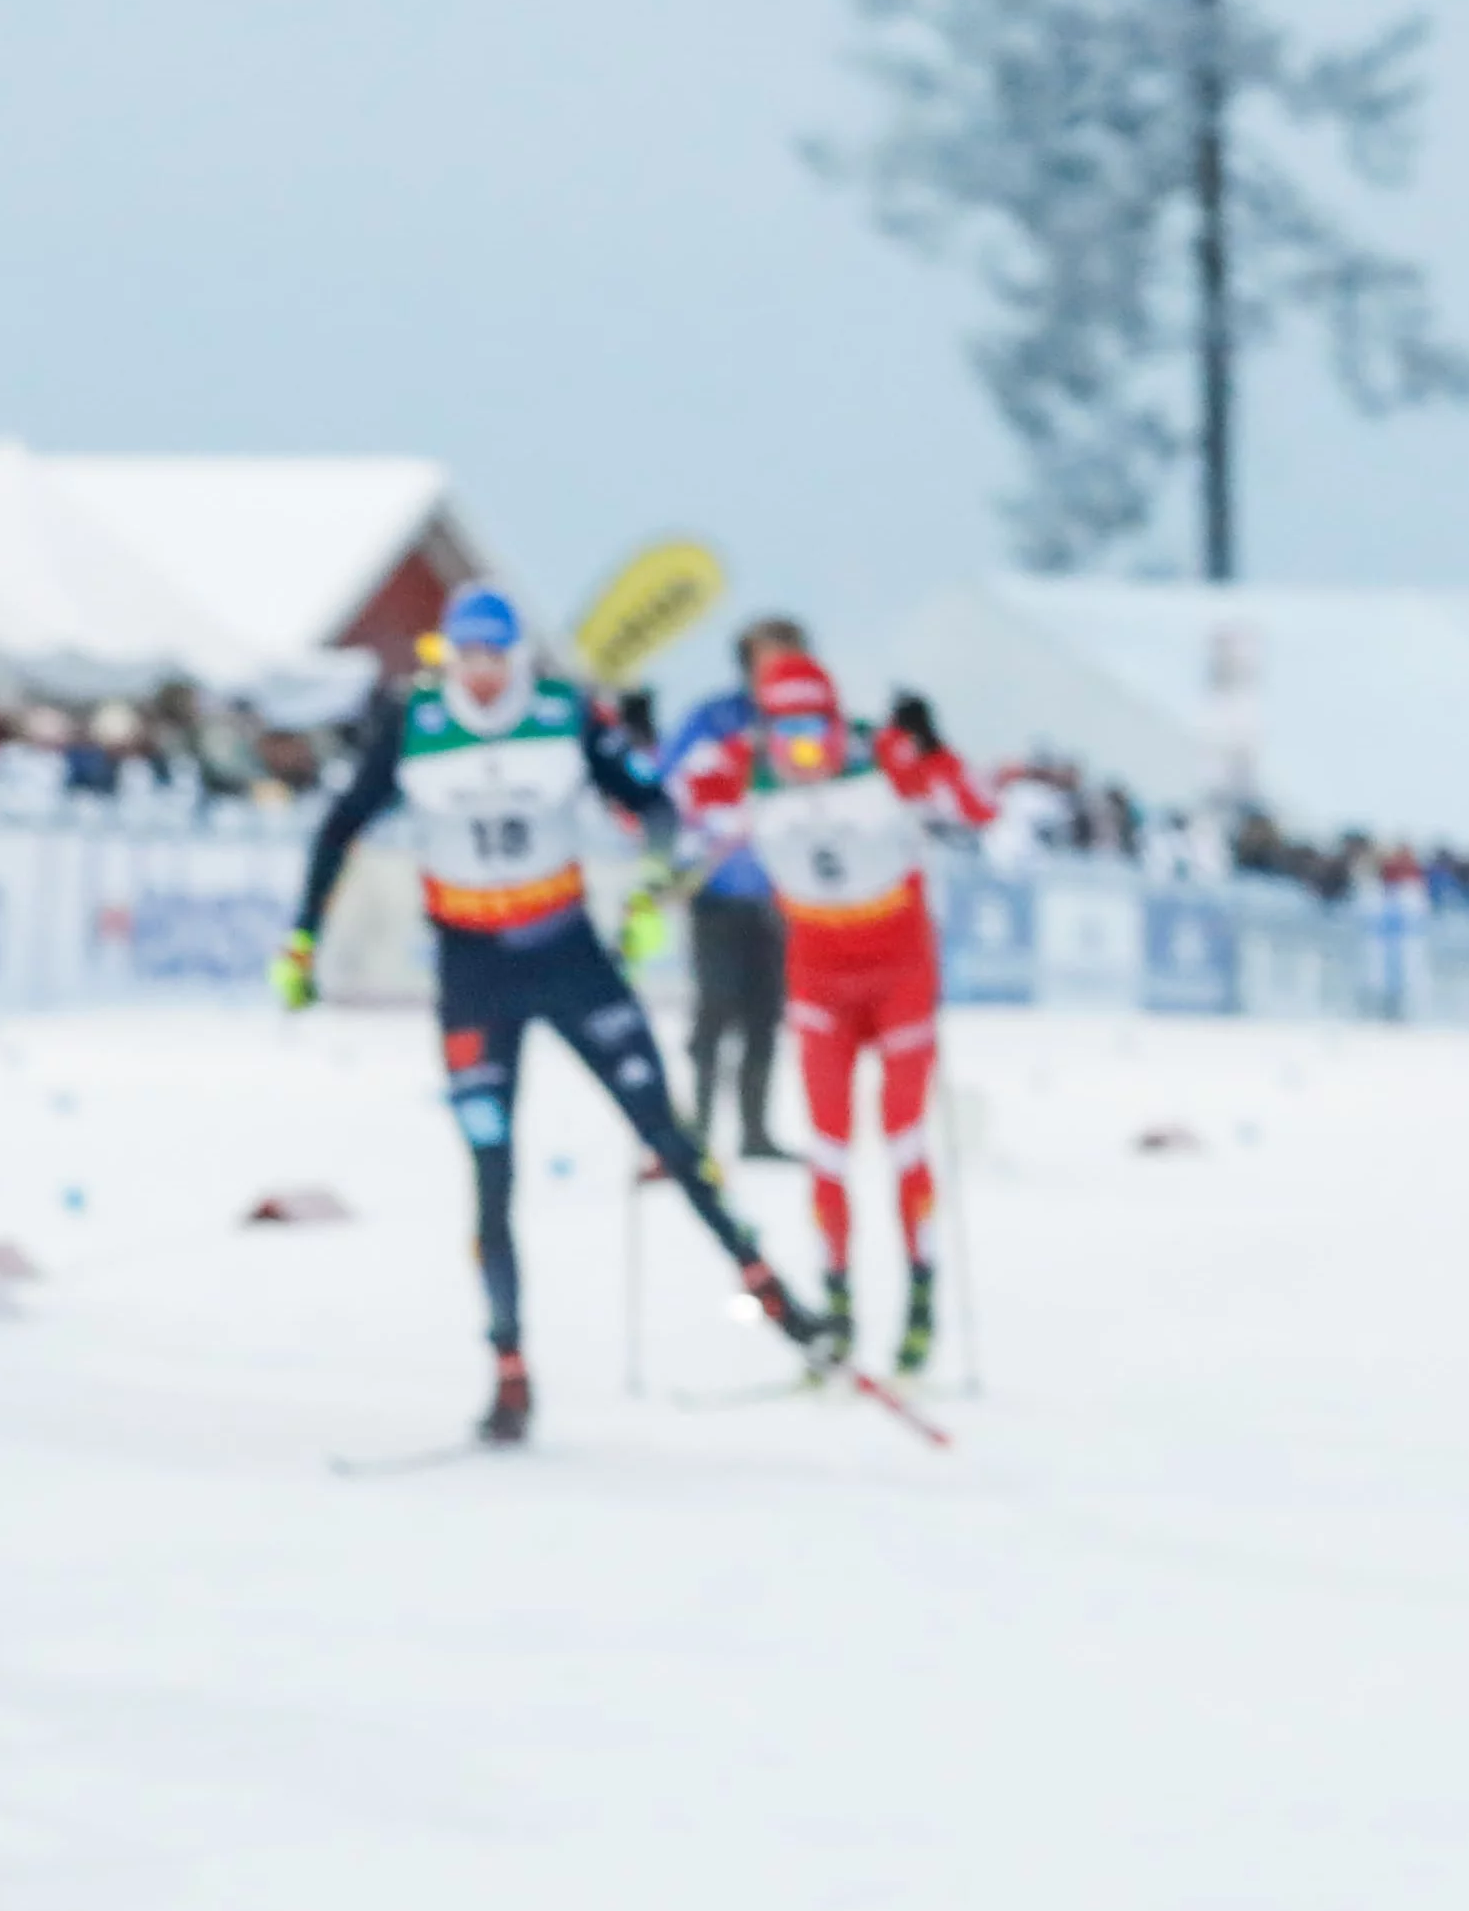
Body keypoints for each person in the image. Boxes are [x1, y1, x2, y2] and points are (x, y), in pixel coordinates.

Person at [272, 582, 812, 1444]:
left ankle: (780, 1300)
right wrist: (302, 940)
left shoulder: (563, 713)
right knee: (491, 1170)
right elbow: (338, 828)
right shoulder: (416, 720)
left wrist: (650, 885)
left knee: (666, 1134)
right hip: (472, 970)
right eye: (467, 659)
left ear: (518, 657)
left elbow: (655, 805)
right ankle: (509, 1370)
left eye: (496, 657)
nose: (482, 676)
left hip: (569, 956)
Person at [678, 652, 983, 1373]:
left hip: (900, 970)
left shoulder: (881, 753)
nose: (805, 752)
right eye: (787, 734)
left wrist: (934, 747)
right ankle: (837, 1306)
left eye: (818, 732)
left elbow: (976, 807)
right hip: (818, 977)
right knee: (829, 1147)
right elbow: (669, 793)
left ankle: (920, 1303)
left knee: (904, 1139)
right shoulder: (742, 765)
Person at [660, 615, 808, 1157]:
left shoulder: (807, 721)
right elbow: (671, 781)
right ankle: (696, 1129)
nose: (775, 666)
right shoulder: (715, 716)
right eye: (766, 655)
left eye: (785, 654)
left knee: (766, 1014)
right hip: (717, 889)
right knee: (714, 1007)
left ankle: (755, 1132)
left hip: (782, 894)